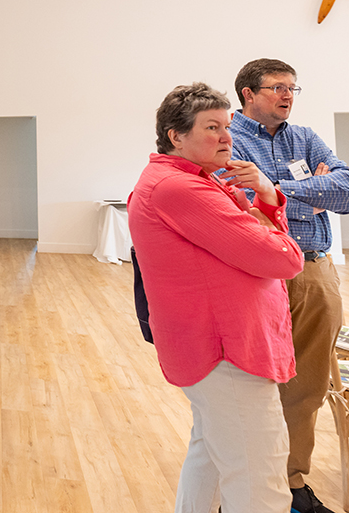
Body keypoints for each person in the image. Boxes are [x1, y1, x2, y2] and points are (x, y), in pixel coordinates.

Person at [129, 82, 304, 513]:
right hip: (226, 352)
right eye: (212, 127)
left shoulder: (193, 181)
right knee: (259, 479)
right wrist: (271, 227)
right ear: (176, 136)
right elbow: (282, 258)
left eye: (226, 126)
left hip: (219, 349)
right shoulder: (181, 188)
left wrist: (266, 198)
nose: (227, 137)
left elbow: (260, 239)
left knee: (209, 458)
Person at [229, 59, 349, 513]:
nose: (287, 95)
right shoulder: (227, 139)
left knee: (308, 384)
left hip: (315, 270)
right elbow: (239, 203)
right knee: (251, 383)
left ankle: (292, 482)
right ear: (248, 93)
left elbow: (348, 191)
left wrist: (274, 188)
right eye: (277, 87)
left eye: (292, 88)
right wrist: (310, 192)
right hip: (259, 274)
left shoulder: (304, 137)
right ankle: (244, 485)